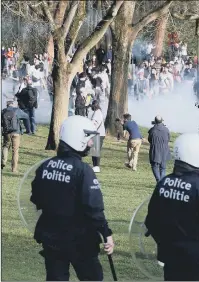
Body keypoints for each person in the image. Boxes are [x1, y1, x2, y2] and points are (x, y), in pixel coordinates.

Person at [30, 115, 114, 281]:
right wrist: (107, 233)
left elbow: (36, 198)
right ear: (77, 139)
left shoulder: (45, 166)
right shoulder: (83, 170)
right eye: (88, 139)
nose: (91, 143)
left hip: (51, 236)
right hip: (80, 240)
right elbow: (93, 208)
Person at [145, 133, 199, 281]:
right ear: (194, 155)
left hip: (170, 260)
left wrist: (167, 244)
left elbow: (151, 221)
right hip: (196, 263)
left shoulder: (163, 183)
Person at [1, 101, 29, 172]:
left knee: (5, 146)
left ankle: (3, 162)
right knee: (15, 151)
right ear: (13, 105)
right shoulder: (17, 110)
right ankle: (14, 169)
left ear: (7, 105)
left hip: (7, 133)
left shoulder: (3, 111)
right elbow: (26, 116)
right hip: (16, 133)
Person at [148, 116, 171, 183]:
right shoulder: (166, 129)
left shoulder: (152, 130)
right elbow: (168, 139)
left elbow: (150, 140)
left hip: (155, 150)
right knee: (163, 167)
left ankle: (158, 180)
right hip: (165, 150)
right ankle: (162, 181)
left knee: (155, 166)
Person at [88, 100, 105, 173]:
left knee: (96, 150)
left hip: (98, 133)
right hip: (97, 133)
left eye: (92, 105)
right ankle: (95, 166)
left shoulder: (97, 112)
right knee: (94, 150)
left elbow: (95, 123)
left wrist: (89, 128)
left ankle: (97, 166)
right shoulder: (97, 112)